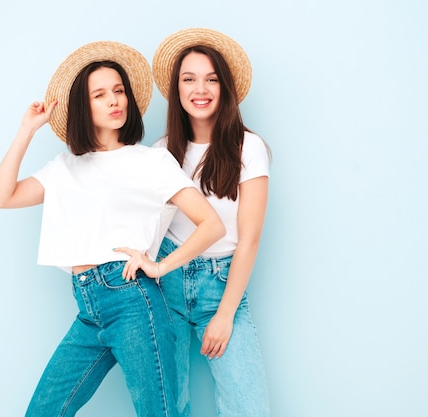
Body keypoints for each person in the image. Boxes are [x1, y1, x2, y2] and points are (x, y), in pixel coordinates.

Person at [0, 40, 225, 417]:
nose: (114, 100)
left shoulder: (151, 162)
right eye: (100, 94)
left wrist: (160, 266)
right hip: (88, 306)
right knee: (44, 411)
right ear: (85, 107)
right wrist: (26, 130)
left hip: (133, 299)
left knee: (158, 413)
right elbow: (0, 197)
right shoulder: (64, 167)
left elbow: (211, 224)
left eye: (119, 91)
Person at [151, 28, 271, 417]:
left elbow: (249, 239)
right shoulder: (160, 152)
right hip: (165, 282)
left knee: (248, 408)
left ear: (224, 88)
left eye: (211, 79)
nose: (199, 89)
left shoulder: (247, 147)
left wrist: (224, 314)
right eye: (189, 79)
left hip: (220, 285)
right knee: (169, 406)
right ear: (177, 89)